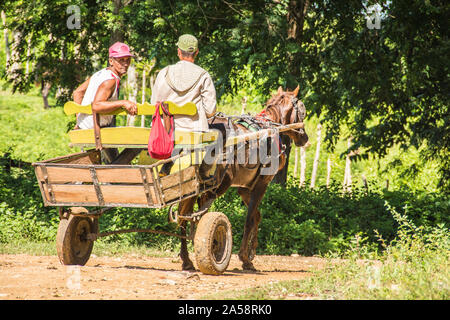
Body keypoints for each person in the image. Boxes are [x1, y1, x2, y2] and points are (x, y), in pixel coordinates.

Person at [151, 34, 217, 176]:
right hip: (193, 131)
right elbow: (211, 111)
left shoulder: (164, 73)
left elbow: (154, 104)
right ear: (197, 52)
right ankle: (203, 174)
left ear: (179, 52)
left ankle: (167, 166)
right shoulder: (203, 75)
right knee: (222, 133)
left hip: (166, 132)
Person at [72, 42, 141, 164]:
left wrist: (79, 120)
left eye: (128, 59)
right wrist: (123, 102)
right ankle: (111, 173)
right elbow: (97, 105)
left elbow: (77, 92)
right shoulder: (110, 80)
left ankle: (117, 175)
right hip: (97, 128)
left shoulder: (100, 73)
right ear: (111, 61)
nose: (125, 64)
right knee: (140, 141)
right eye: (121, 60)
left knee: (115, 157)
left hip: (89, 125)